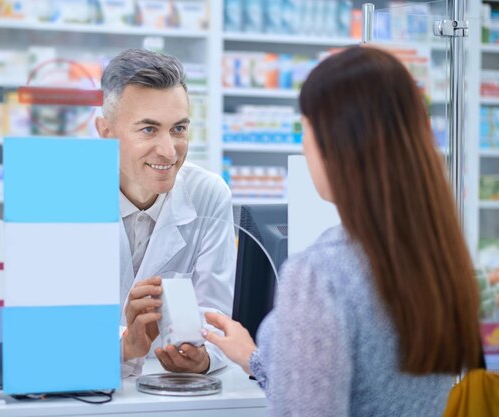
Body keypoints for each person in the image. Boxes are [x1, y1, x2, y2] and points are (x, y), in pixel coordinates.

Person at [203, 46, 482, 416]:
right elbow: (371, 386)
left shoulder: (320, 274)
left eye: (305, 128)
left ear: (336, 142)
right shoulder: (437, 252)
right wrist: (257, 359)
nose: (303, 145)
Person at [95, 49, 236, 377]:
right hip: (79, 396)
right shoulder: (60, 196)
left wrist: (203, 357)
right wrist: (124, 345)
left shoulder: (208, 194)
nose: (169, 151)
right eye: (148, 130)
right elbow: (48, 335)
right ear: (105, 133)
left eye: (178, 129)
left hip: (170, 393)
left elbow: (215, 317)